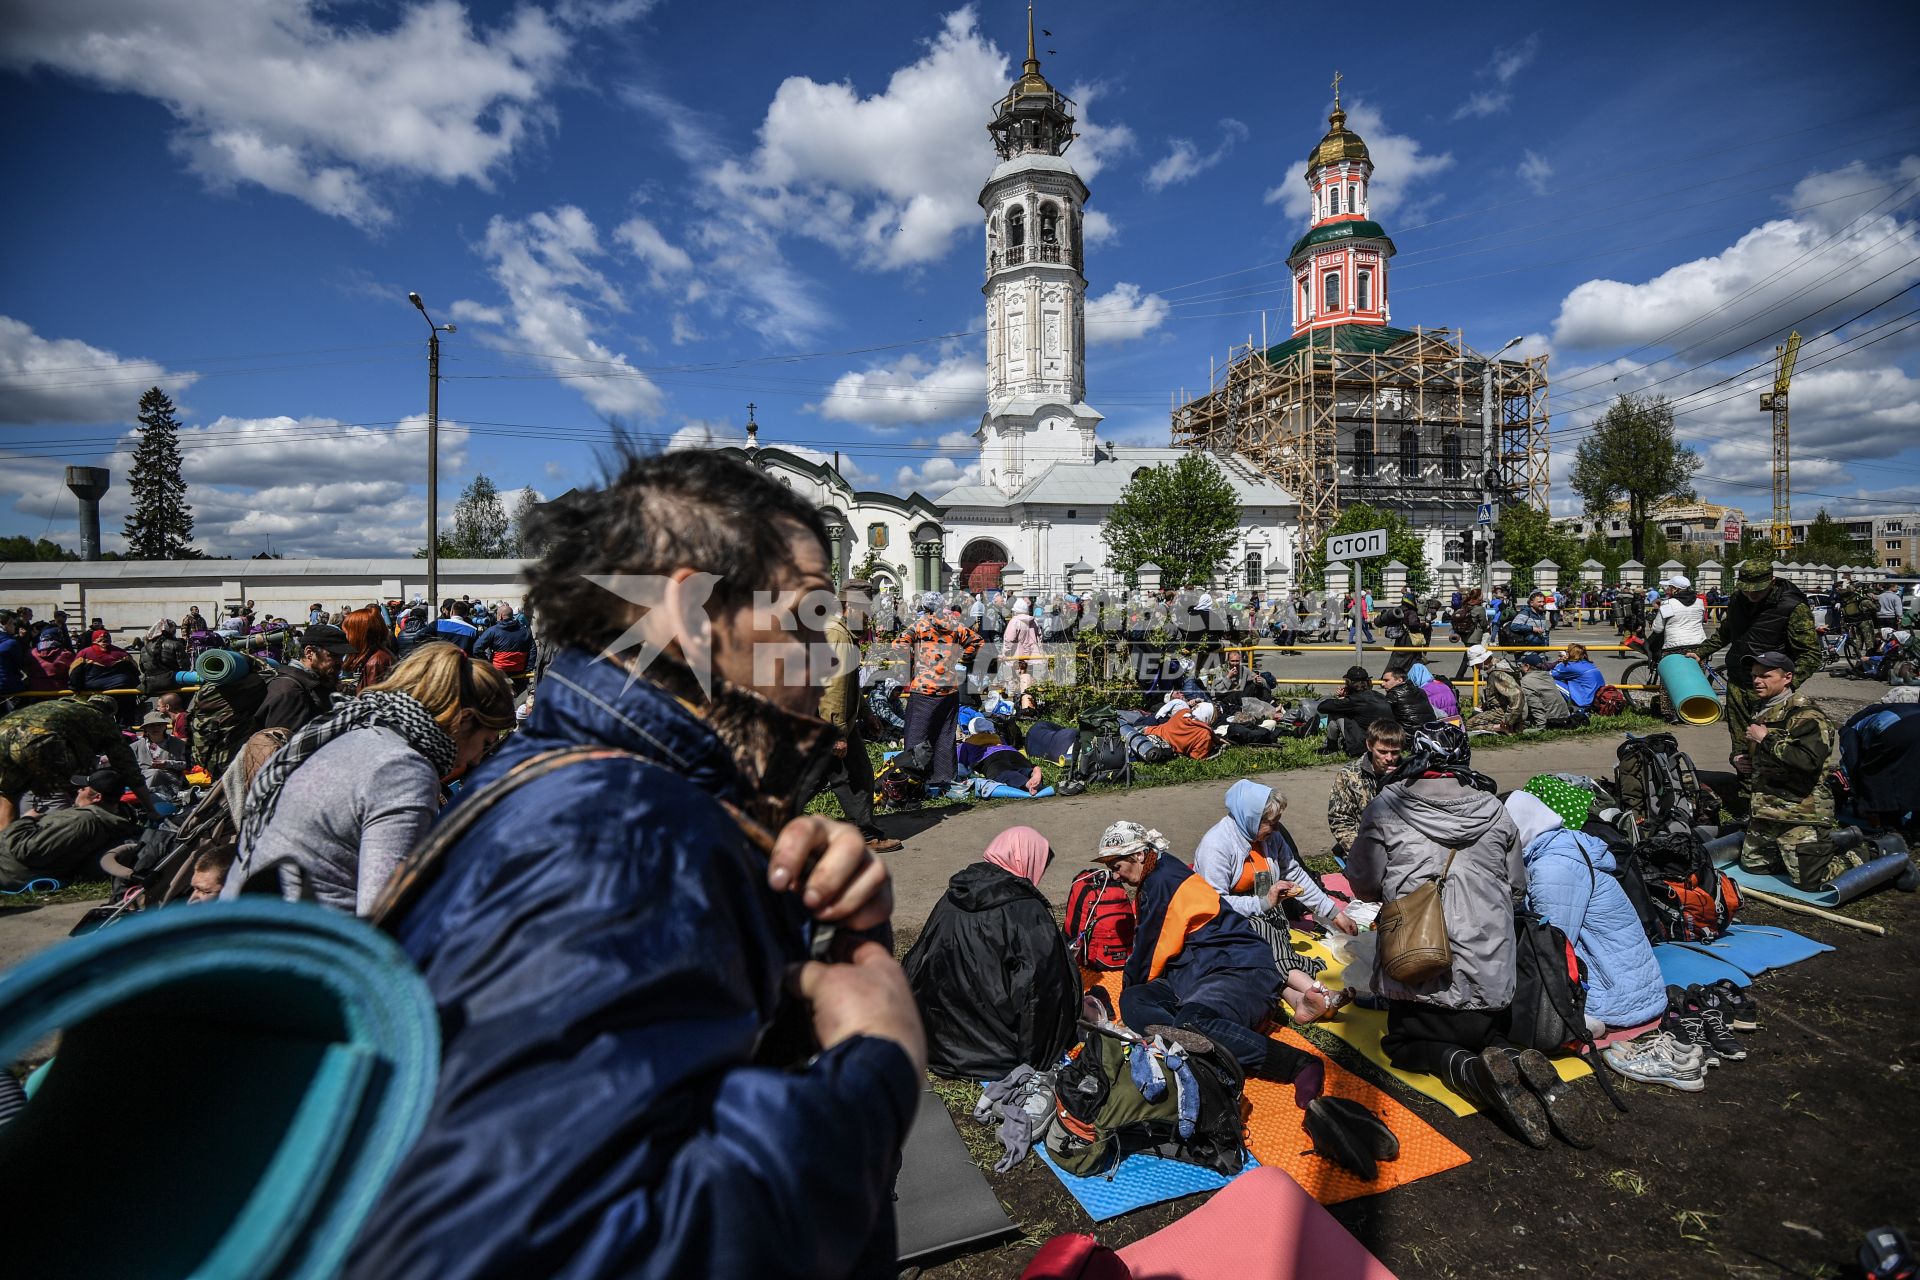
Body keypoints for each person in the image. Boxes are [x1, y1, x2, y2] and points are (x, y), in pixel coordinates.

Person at [345, 449, 922, 1279]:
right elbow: (577, 1247)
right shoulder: (617, 833)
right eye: (802, 617)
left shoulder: (594, 790)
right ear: (689, 609)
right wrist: (876, 1066)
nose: (824, 660)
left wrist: (813, 934)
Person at [1346, 725, 1597, 1147]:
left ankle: (1462, 1068)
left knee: (1402, 1045)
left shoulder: (1386, 806)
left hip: (1419, 968)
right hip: (1489, 982)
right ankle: (1515, 1058)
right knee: (1490, 1037)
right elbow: (1517, 886)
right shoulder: (1494, 809)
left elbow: (1364, 885)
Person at [225, 644, 516, 915]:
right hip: (304, 947)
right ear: (463, 721)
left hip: (251, 929)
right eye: (485, 742)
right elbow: (385, 911)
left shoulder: (350, 731)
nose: (478, 758)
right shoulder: (400, 769)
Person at [1100, 821, 1321, 1091]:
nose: (1115, 876)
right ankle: (1195, 1043)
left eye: (1116, 867)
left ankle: (1297, 1063)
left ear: (1138, 855)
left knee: (1192, 1021)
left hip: (1239, 969)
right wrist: (1132, 991)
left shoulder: (1163, 881)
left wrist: (1133, 983)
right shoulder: (1156, 873)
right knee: (1134, 999)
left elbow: (1150, 950)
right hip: (1196, 972)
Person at [902, 826, 1077, 1080]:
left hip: (931, 1040)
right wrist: (1037, 1060)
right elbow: (1042, 991)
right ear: (1025, 859)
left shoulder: (954, 895)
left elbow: (918, 960)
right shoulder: (1027, 911)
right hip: (990, 1054)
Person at [1507, 779, 1667, 1032]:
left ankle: (1579, 1023)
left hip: (1617, 998)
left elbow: (1551, 942)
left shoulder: (1553, 868)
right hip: (1632, 984)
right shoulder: (1567, 844)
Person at [1193, 782, 1352, 1023]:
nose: (1276, 827)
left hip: (1265, 909)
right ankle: (1321, 991)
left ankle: (1298, 1001)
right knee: (1264, 942)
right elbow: (1214, 902)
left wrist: (1334, 913)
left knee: (1268, 948)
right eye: (1270, 821)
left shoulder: (1272, 838)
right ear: (1251, 818)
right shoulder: (1216, 845)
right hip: (1227, 917)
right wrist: (1263, 904)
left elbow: (1295, 874)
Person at [1698, 561, 1820, 813]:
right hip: (1739, 684)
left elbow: (1809, 654)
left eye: (1758, 589)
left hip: (1772, 694)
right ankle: (1746, 804)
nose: (1752, 594)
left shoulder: (1792, 606)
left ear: (1772, 581)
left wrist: (1785, 685)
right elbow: (1726, 632)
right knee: (1742, 748)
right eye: (1747, 589)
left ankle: (1773, 804)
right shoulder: (1738, 600)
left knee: (1770, 747)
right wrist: (1700, 652)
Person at [1739, 650, 1856, 889]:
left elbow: (1808, 762)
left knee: (1811, 881)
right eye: (1754, 676)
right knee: (1754, 865)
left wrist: (1766, 740)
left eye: (1766, 675)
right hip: (1767, 808)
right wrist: (1739, 758)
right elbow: (1754, 748)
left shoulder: (1806, 716)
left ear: (1787, 678)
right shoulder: (1762, 709)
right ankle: (1805, 851)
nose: (1757, 681)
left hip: (1801, 809)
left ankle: (1865, 851)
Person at [817, 581, 901, 851]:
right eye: (867, 609)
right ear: (851, 606)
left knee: (859, 775)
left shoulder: (843, 633)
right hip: (829, 723)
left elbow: (849, 684)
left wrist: (865, 712)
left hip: (840, 721)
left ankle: (865, 833)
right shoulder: (837, 635)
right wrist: (837, 732)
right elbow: (833, 688)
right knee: (806, 781)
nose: (870, 616)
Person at [0, 695, 157, 832]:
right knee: (57, 795)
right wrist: (150, 809)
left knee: (8, 793)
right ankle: (56, 845)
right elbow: (128, 768)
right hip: (39, 741)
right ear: (109, 713)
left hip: (3, 732)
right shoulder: (101, 720)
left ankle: (4, 847)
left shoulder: (59, 707)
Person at [892, 593, 983, 793]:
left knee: (917, 734)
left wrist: (913, 657)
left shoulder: (919, 625)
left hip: (923, 688)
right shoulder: (955, 625)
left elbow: (898, 645)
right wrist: (960, 659)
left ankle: (914, 779)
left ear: (925, 607)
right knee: (945, 733)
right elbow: (977, 642)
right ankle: (943, 778)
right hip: (949, 689)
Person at [0, 768, 142, 891]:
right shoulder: (113, 819)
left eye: (83, 788)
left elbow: (28, 851)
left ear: (97, 797)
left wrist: (26, 820)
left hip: (9, 870)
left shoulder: (82, 820)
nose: (78, 791)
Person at [1327, 721, 1403, 859]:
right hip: (1363, 846)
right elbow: (1340, 820)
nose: (1389, 758)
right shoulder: (1349, 775)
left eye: (1395, 752)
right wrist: (1362, 851)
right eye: (1382, 752)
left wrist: (1399, 781)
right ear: (1369, 745)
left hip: (1401, 845)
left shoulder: (1409, 775)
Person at [257, 623, 350, 733]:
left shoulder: (318, 681)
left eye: (341, 656)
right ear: (309, 653)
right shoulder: (290, 691)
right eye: (334, 655)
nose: (341, 662)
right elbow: (282, 746)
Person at [1316, 665, 1394, 756]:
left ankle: (1331, 748)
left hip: (1367, 748)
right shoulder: (1379, 695)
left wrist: (1340, 699)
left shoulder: (1355, 700)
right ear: (1368, 682)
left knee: (1336, 713)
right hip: (1391, 742)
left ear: (1348, 683)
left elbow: (1322, 707)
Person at [1521, 643, 1604, 727]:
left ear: (1571, 654)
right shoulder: (1587, 663)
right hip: (1595, 696)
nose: (1565, 653)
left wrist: (1561, 663)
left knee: (1550, 681)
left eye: (1567, 652)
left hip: (1585, 699)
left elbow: (1548, 675)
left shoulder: (1569, 665)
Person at [132, 709, 190, 804]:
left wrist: (168, 763)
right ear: (145, 728)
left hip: (171, 781)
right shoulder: (136, 746)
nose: (155, 728)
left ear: (165, 726)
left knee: (155, 773)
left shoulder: (178, 743)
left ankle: (142, 798)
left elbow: (189, 764)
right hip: (143, 779)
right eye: (151, 725)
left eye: (159, 725)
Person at [340, 605, 398, 692]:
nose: (346, 637)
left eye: (348, 632)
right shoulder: (376, 656)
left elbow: (372, 701)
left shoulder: (375, 662)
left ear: (359, 634)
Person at [1652, 575, 1707, 661]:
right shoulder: (1699, 602)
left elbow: (1658, 629)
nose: (1668, 589)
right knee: (1697, 673)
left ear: (1675, 589)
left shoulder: (1667, 604)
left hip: (1675, 647)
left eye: (1670, 587)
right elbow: (1702, 620)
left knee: (1673, 673)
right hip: (1699, 644)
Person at [473, 604, 536, 677]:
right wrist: (528, 668)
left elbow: (476, 649)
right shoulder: (525, 631)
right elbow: (533, 650)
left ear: (500, 616)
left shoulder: (492, 630)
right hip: (520, 671)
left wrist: (488, 664)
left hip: (498, 672)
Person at [999, 597, 1044, 696]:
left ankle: (1017, 697)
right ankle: (1029, 697)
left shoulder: (1014, 621)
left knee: (1015, 677)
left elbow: (1009, 640)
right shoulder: (1033, 621)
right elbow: (1040, 636)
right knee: (1029, 677)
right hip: (1033, 654)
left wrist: (1005, 653)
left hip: (1016, 654)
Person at [1379, 666, 1436, 730]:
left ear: (1400, 680)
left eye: (1386, 680)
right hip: (1428, 732)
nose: (1383, 684)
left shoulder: (1394, 694)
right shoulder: (1420, 691)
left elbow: (1380, 713)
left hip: (1407, 735)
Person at [1450, 590, 1487, 679]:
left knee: (1470, 656)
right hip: (1475, 636)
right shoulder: (1479, 608)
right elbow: (1483, 624)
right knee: (1471, 657)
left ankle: (1468, 676)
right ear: (1478, 597)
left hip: (1465, 635)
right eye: (1481, 595)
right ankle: (1462, 677)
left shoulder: (1465, 606)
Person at [0, 611, 32, 703]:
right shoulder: (12, 643)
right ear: (6, 624)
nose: (15, 626)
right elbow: (20, 664)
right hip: (7, 685)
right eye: (13, 624)